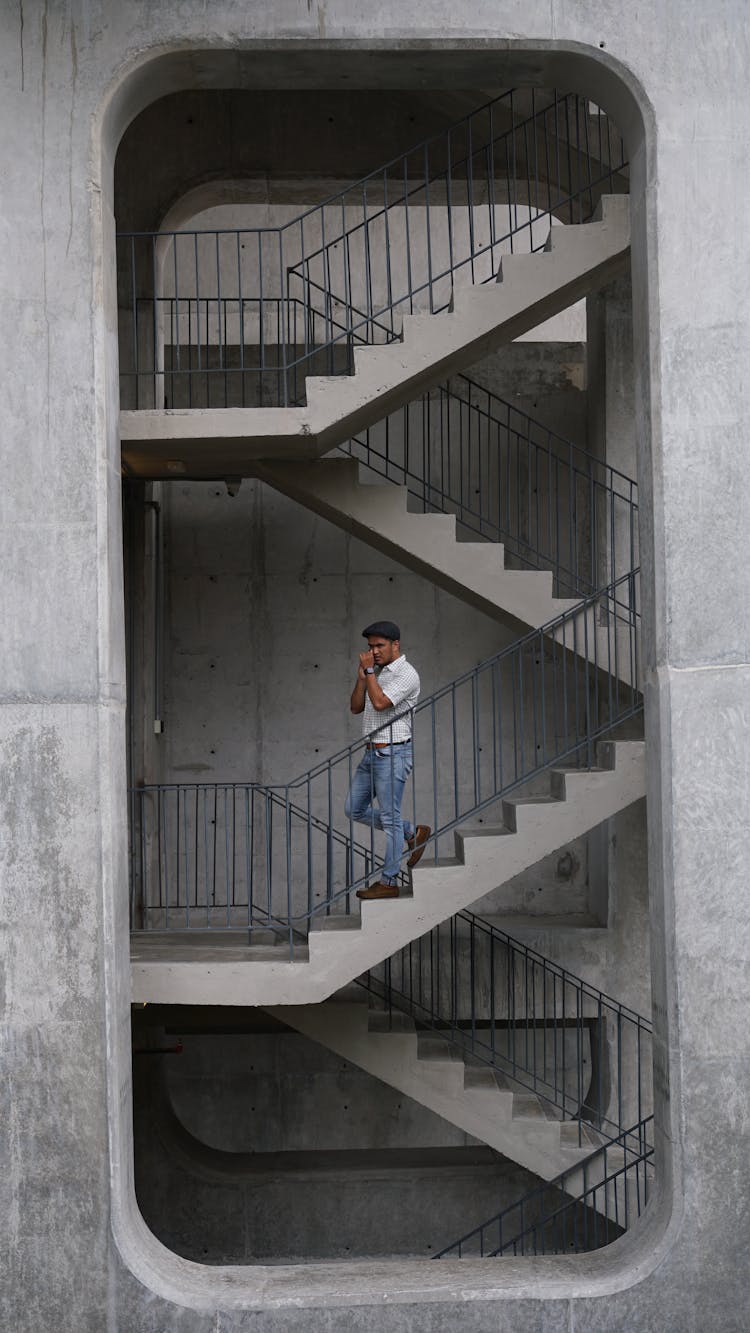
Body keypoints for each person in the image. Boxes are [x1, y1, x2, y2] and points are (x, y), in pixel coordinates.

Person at [345, 620, 430, 900]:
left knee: (390, 819)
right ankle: (412, 831)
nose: (374, 652)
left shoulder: (407, 674)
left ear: (396, 645)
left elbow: (381, 703)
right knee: (353, 809)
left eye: (380, 646)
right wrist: (363, 677)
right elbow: (356, 707)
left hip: (394, 753)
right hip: (372, 753)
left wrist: (369, 672)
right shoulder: (376, 674)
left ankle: (389, 881)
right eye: (370, 647)